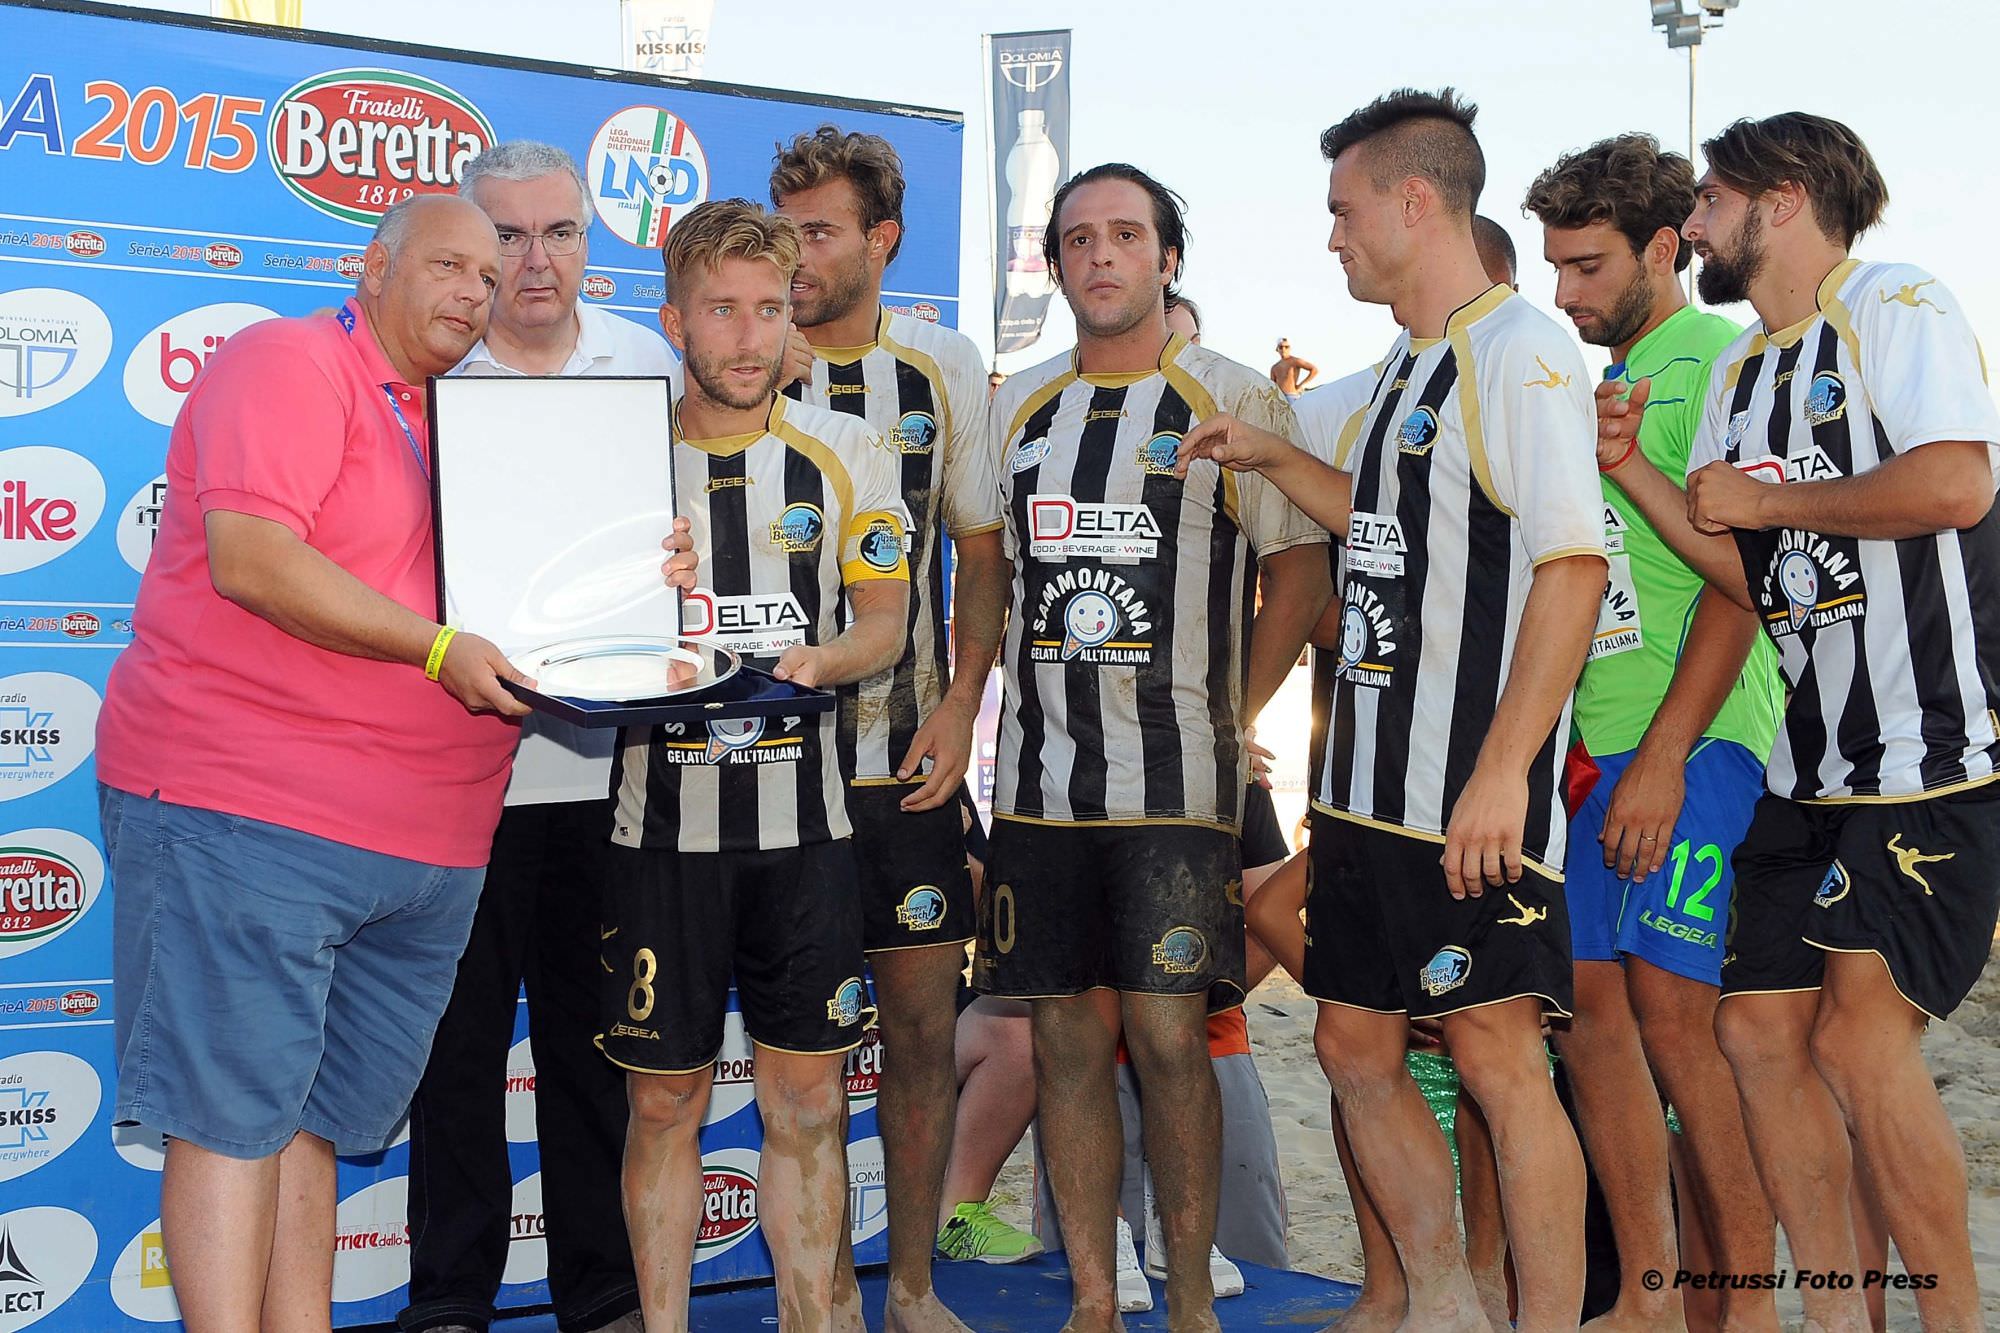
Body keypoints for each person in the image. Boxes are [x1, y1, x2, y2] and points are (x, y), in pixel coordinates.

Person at [92, 194, 694, 1331]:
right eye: (449, 264)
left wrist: (637, 571)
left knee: (308, 1121)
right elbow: (251, 557)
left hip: (424, 843)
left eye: (489, 271)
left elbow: (547, 606)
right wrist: (432, 648)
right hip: (251, 809)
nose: (474, 289)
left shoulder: (467, 424)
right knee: (230, 1118)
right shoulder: (286, 364)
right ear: (373, 267)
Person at [1180, 88, 1605, 1330]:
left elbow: (1570, 568)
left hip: (1468, 798)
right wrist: (1269, 460)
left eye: (1342, 210)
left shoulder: (1520, 346)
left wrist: (1500, 773)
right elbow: (1385, 526)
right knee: (1355, 1051)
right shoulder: (1406, 369)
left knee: (1498, 1065)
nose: (1331, 237)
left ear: (1413, 203)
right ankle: (1437, 1302)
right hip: (1360, 790)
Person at [1595, 111, 2000, 1332]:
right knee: (1757, 1035)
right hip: (1803, 763)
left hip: (1931, 746)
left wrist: (1776, 507)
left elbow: (1955, 481)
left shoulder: (1893, 301)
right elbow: (1739, 583)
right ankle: (1836, 1316)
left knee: (1857, 1043)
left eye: (1710, 199)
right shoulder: (1736, 371)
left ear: (1776, 200)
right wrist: (1634, 475)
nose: (1696, 222)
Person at [977, 162, 1331, 1332]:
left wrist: (1235, 706)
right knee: (1069, 1042)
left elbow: (1296, 573)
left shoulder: (1231, 398)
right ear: (1057, 264)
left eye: (1125, 235)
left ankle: (1187, 1302)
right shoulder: (1016, 404)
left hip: (1178, 783)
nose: (1101, 256)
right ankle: (1091, 1295)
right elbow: (986, 578)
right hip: (1038, 787)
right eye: (1078, 239)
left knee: (1173, 1037)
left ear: (1166, 259)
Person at [602, 199, 911, 1332]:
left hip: (806, 837)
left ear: (794, 319)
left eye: (767, 310)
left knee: (808, 1102)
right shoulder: (616, 461)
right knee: (663, 1102)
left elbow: (883, 625)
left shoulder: (851, 450)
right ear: (674, 317)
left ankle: (808, 1318)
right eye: (720, 309)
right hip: (658, 835)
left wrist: (814, 660)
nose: (745, 336)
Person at [397, 142, 678, 1333]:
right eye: (504, 236)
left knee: (593, 1044)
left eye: (558, 232)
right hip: (458, 774)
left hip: (612, 777)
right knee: (453, 1052)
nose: (532, 260)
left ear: (588, 239)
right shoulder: (427, 367)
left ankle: (601, 1289)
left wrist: (682, 568)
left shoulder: (649, 362)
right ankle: (450, 1296)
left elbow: (702, 540)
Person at [1524, 131, 1783, 1333]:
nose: (1563, 293)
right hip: (1603, 750)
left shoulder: (1716, 365)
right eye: (1553, 269)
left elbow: (1743, 583)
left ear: (1662, 249)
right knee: (1590, 1013)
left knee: (1680, 1025)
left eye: (1584, 267)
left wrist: (1668, 757)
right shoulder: (1601, 380)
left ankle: (1738, 1308)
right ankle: (1646, 1291)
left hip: (1706, 738)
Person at [768, 126, 1007, 1333]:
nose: (797, 253)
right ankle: (812, 1296)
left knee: (919, 1036)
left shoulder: (943, 365)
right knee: (791, 1059)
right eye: (785, 226)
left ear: (881, 239)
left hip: (904, 761)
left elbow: (979, 552)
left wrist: (963, 705)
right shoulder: (740, 350)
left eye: (820, 230)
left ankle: (906, 1287)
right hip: (764, 773)